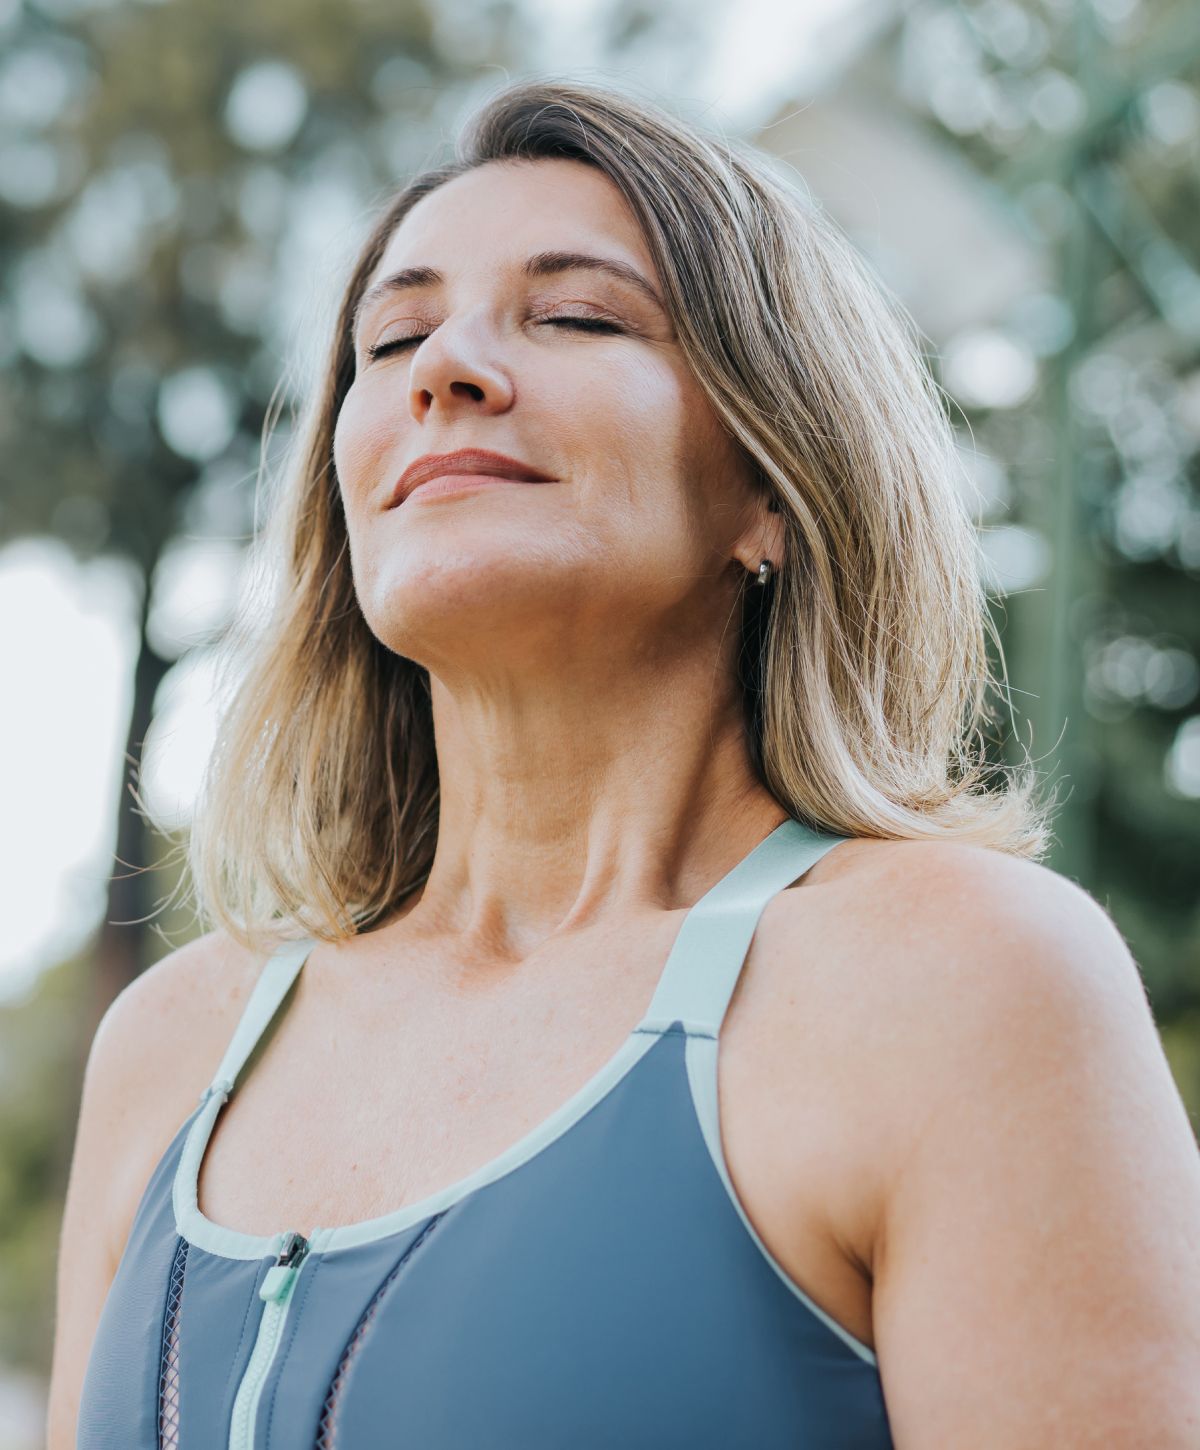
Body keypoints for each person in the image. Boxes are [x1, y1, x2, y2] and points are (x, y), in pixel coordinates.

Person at [49, 77, 1200, 1448]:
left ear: (774, 480)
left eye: (578, 315)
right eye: (393, 335)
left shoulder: (966, 984)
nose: (443, 370)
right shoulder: (174, 1045)